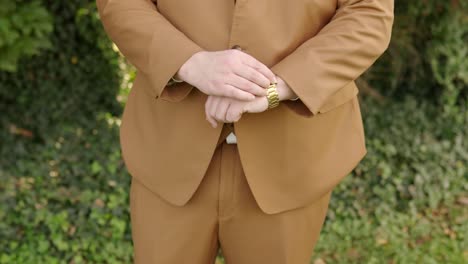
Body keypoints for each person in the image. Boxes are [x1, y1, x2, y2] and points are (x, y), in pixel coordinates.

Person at [96, 0, 394, 263]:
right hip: (170, 149)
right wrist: (189, 64)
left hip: (291, 157)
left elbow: (369, 13)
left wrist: (280, 87)